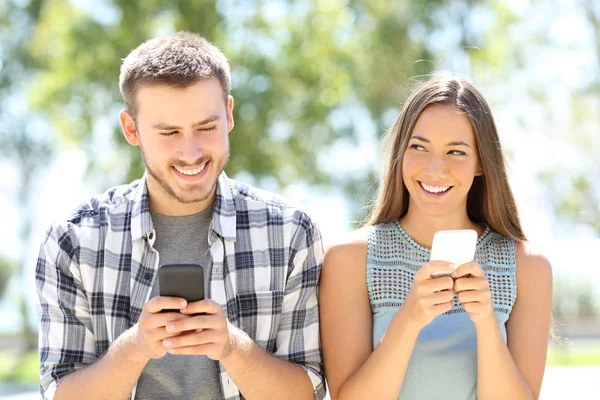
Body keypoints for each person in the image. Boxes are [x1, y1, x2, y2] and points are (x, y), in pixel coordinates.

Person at [36, 31, 325, 400]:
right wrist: (137, 346)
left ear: (230, 114)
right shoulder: (73, 241)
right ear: (131, 129)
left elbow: (309, 392)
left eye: (206, 127)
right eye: (169, 132)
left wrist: (231, 347)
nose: (191, 153)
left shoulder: (291, 233)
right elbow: (59, 393)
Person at [320, 75, 553, 399]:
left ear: (481, 163)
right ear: (400, 151)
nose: (434, 169)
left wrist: (486, 323)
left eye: (455, 152)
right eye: (419, 147)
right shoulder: (348, 259)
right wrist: (408, 319)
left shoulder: (528, 267)